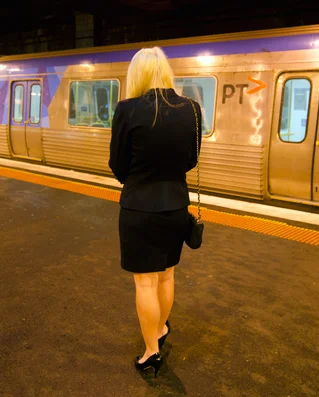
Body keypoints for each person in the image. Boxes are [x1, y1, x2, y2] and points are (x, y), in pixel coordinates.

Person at [109, 46, 202, 377]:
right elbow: (191, 160)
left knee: (145, 283)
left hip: (139, 208)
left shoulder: (127, 110)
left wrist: (138, 180)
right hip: (176, 204)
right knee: (167, 274)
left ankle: (151, 352)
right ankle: (160, 330)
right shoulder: (190, 108)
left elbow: (117, 165)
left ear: (137, 74)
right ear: (166, 72)